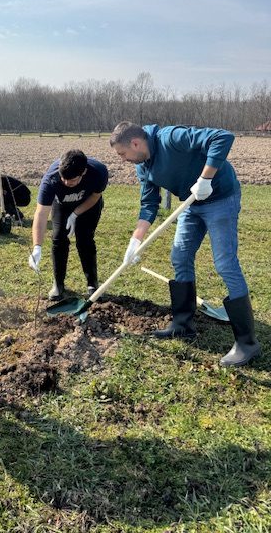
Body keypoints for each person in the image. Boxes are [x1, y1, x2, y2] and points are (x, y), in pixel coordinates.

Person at [109, 121, 261, 367]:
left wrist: (205, 178)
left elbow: (222, 137)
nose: (122, 159)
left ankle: (247, 343)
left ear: (135, 143)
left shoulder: (171, 138)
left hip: (221, 197)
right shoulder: (143, 166)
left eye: (123, 154)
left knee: (224, 264)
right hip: (191, 205)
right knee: (179, 257)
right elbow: (149, 205)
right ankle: (183, 324)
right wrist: (134, 241)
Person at [28, 149, 108, 301]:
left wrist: (76, 214)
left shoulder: (98, 172)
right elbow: (41, 213)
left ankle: (92, 284)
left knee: (85, 239)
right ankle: (58, 285)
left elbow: (96, 196)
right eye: (64, 179)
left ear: (83, 172)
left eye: (72, 181)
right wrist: (37, 247)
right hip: (61, 205)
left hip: (88, 204)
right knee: (58, 239)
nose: (66, 183)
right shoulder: (50, 179)